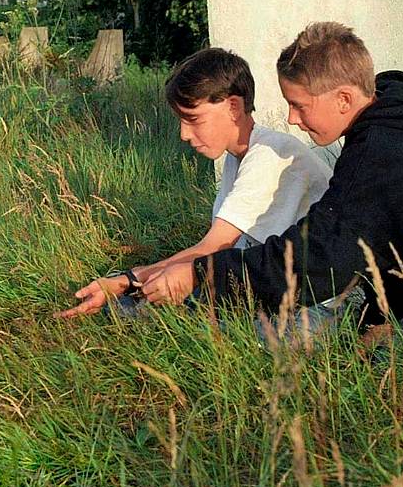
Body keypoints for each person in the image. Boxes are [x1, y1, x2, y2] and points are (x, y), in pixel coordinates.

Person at [136, 22, 403, 356]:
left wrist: (204, 275)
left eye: (300, 105)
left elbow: (317, 259)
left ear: (343, 99)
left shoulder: (385, 152)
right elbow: (376, 243)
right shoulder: (387, 124)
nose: (291, 119)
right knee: (384, 334)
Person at [55, 47, 333, 319]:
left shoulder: (269, 155)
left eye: (193, 119)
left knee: (187, 329)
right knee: (135, 308)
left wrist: (127, 279)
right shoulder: (241, 156)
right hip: (272, 287)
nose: (184, 134)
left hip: (314, 305)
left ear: (233, 107)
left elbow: (214, 247)